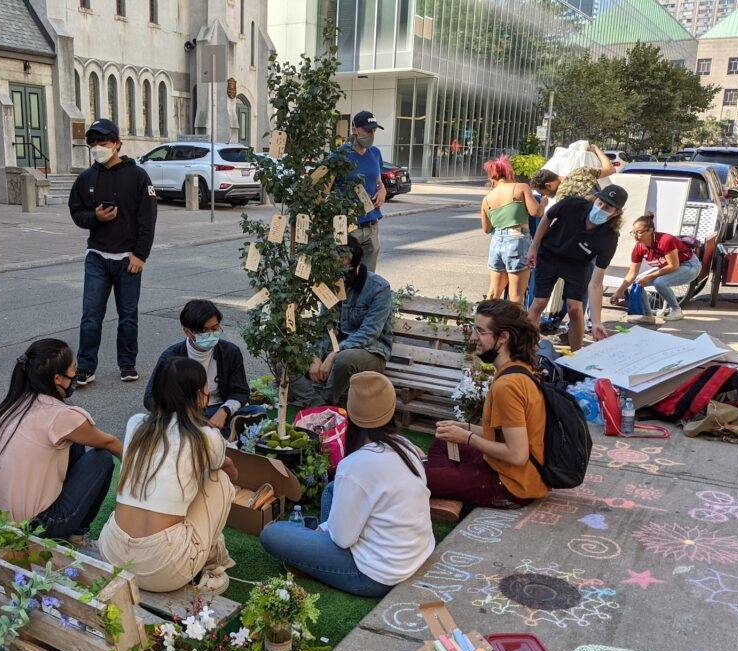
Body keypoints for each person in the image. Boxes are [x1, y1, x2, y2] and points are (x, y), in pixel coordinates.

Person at [260, 372, 433, 597]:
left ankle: (311, 544)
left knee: (272, 533)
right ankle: (312, 539)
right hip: (414, 552)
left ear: (350, 414)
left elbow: (342, 540)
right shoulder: (407, 446)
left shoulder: (355, 465)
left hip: (374, 575)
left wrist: (324, 531)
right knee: (331, 491)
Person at [98, 357, 238, 593]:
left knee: (197, 480)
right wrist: (233, 473)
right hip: (163, 569)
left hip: (112, 552)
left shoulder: (136, 424)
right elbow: (226, 466)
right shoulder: (205, 436)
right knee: (219, 480)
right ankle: (213, 565)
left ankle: (208, 557)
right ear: (198, 395)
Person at [0, 339, 122, 540]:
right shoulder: (61, 416)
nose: (75, 375)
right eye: (73, 370)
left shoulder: (9, 406)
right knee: (102, 458)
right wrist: (143, 468)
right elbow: (109, 443)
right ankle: (77, 533)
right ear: (57, 378)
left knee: (75, 441)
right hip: (37, 526)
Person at [425, 300, 549, 508]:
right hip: (506, 469)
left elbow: (517, 455)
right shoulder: (520, 367)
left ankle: (451, 483)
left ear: (503, 337)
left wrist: (468, 437)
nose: (473, 337)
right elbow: (511, 435)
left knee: (416, 478)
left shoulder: (507, 386)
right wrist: (466, 428)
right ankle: (452, 479)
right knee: (443, 443)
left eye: (481, 331)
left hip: (511, 485)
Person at [69, 118, 158, 387]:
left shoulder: (139, 176)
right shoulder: (86, 178)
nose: (98, 147)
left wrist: (140, 256)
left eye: (103, 142)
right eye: (93, 143)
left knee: (128, 314)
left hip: (128, 259)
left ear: (117, 144)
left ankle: (127, 364)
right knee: (91, 315)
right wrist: (95, 218)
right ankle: (85, 367)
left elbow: (148, 219)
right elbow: (77, 213)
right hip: (97, 256)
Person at [291, 235, 393, 407]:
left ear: (355, 264)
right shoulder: (331, 283)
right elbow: (325, 326)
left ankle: (327, 400)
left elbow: (370, 332)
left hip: (369, 351)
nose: (339, 275)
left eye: (344, 268)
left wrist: (335, 354)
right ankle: (319, 406)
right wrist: (314, 355)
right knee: (285, 358)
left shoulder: (379, 288)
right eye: (335, 268)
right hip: (334, 349)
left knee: (344, 359)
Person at [526, 184, 628, 349]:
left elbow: (596, 283)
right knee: (539, 302)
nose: (601, 208)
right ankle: (525, 348)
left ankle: (577, 356)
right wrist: (534, 247)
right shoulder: (573, 204)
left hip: (577, 264)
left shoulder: (609, 237)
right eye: (600, 202)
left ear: (616, 213)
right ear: (595, 199)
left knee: (575, 308)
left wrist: (596, 322)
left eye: (607, 207)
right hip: (549, 254)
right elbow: (547, 218)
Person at [143, 299, 263, 438]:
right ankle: (216, 435)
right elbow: (150, 399)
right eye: (204, 331)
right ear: (187, 332)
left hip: (220, 409)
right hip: (186, 415)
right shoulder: (172, 357)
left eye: (215, 328)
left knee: (258, 412)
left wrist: (224, 411)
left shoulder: (230, 352)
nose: (211, 334)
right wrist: (187, 414)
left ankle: (215, 433)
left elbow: (240, 391)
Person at [609, 212, 700, 323]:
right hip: (670, 267)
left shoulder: (665, 240)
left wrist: (650, 276)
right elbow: (632, 273)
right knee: (638, 283)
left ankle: (677, 310)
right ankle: (648, 316)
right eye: (633, 232)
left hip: (689, 265)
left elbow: (674, 265)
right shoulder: (639, 247)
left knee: (659, 282)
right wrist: (619, 292)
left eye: (639, 232)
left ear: (650, 230)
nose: (635, 236)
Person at [480, 156, 541, 301]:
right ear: (509, 173)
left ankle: (483, 321)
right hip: (517, 239)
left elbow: (487, 228)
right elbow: (535, 212)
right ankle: (514, 324)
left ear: (492, 177)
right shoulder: (521, 188)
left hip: (496, 242)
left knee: (493, 293)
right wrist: (543, 203)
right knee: (516, 296)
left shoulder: (487, 199)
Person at [337, 110, 386, 271]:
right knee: (344, 278)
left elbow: (378, 181)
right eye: (367, 130)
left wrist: (382, 190)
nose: (371, 134)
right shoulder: (340, 155)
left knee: (368, 279)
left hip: (372, 225)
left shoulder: (375, 153)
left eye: (373, 131)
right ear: (354, 130)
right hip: (348, 227)